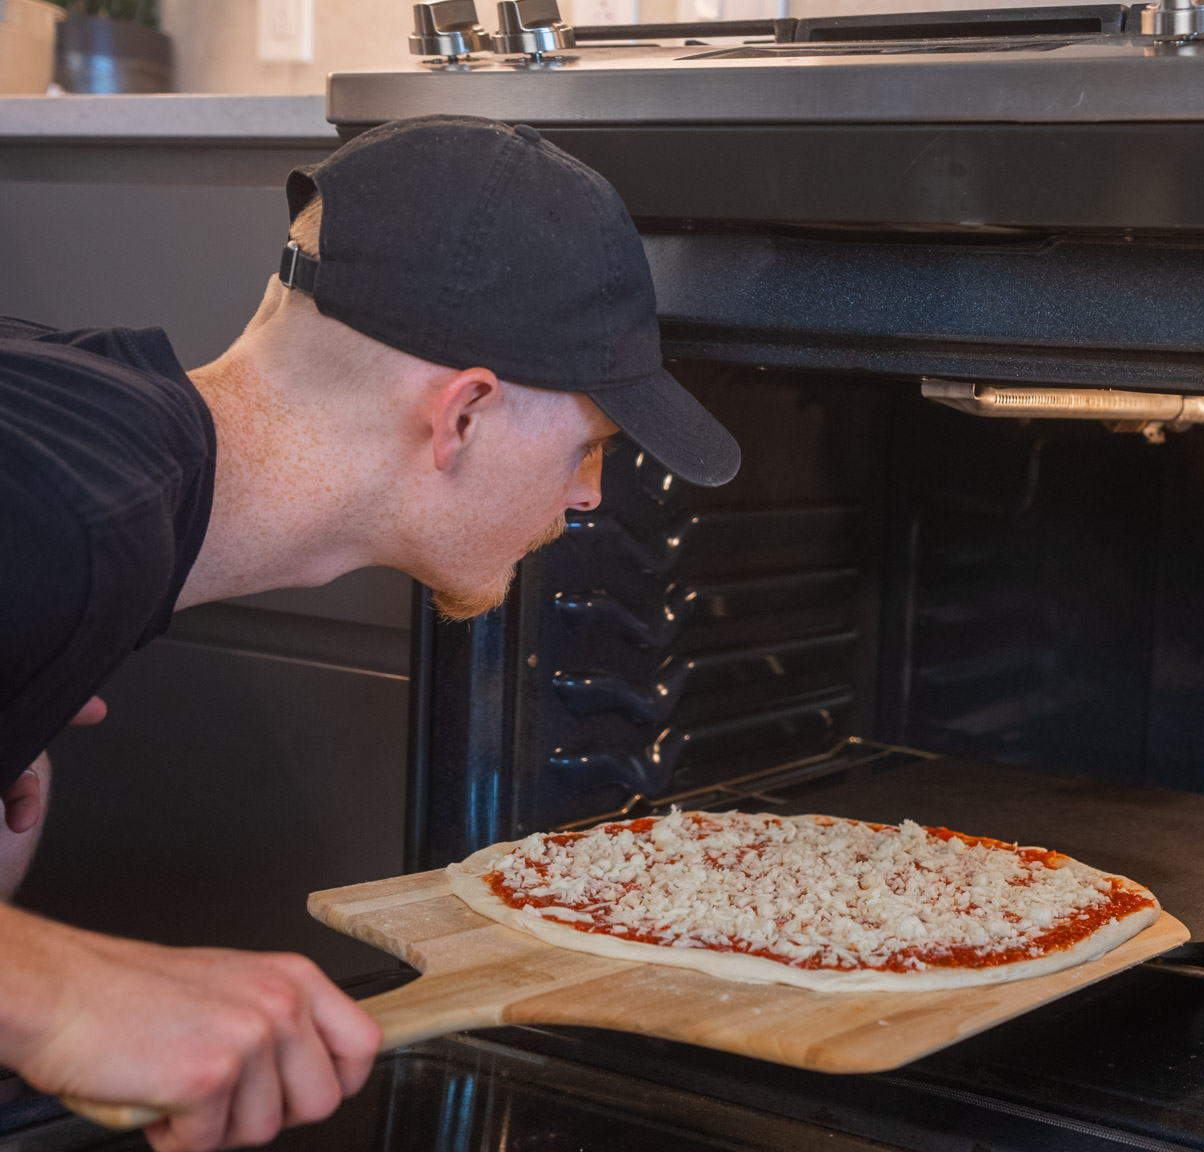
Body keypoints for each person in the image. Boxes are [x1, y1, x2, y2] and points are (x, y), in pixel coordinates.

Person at [0, 116, 740, 1152]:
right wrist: (59, 994)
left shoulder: (87, 458)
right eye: (591, 446)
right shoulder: (73, 510)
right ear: (463, 415)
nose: (591, 497)